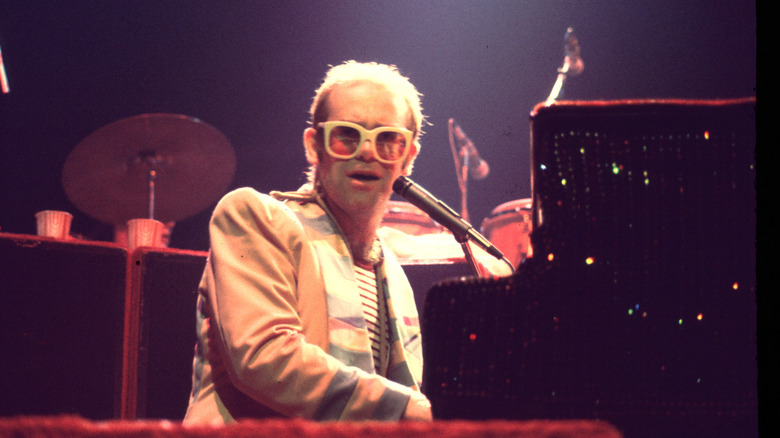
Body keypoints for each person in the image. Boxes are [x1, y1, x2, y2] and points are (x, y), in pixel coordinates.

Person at [183, 61, 432, 423]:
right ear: (314, 146)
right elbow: (266, 357)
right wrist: (411, 410)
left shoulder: (392, 272)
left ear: (408, 157)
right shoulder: (254, 217)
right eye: (347, 135)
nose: (366, 151)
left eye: (386, 139)